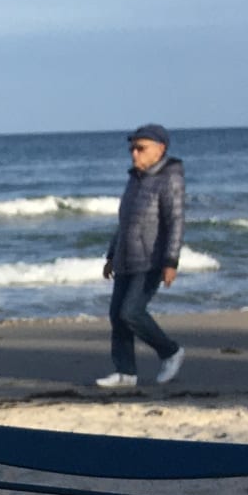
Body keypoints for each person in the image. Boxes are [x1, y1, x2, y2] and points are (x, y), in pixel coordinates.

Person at [96, 124, 186, 390]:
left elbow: (176, 222)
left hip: (151, 260)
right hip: (126, 258)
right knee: (117, 316)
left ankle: (170, 352)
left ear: (160, 149)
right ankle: (125, 372)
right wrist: (111, 255)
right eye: (132, 149)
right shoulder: (134, 179)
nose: (134, 154)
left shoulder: (170, 178)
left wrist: (171, 262)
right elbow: (124, 223)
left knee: (131, 312)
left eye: (140, 148)